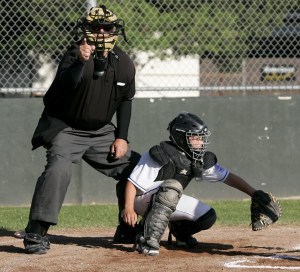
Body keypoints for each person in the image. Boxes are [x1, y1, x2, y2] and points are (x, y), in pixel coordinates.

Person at [18, 5, 141, 254]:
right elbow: (67, 84)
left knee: (136, 168)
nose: (102, 32)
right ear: (87, 30)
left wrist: (122, 137)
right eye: (96, 28)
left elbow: (125, 100)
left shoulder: (125, 63)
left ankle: (128, 227)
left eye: (107, 28)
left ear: (116, 31)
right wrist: (81, 62)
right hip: (67, 128)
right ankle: (35, 232)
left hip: (101, 132)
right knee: (58, 169)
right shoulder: (75, 53)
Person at [122, 112, 262, 256]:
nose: (201, 142)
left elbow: (229, 178)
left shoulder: (196, 159)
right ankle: (145, 239)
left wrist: (254, 194)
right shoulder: (161, 153)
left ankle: (179, 232)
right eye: (195, 138)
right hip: (141, 200)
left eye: (201, 138)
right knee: (173, 187)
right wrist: (128, 208)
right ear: (181, 137)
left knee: (207, 217)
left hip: (168, 197)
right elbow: (132, 183)